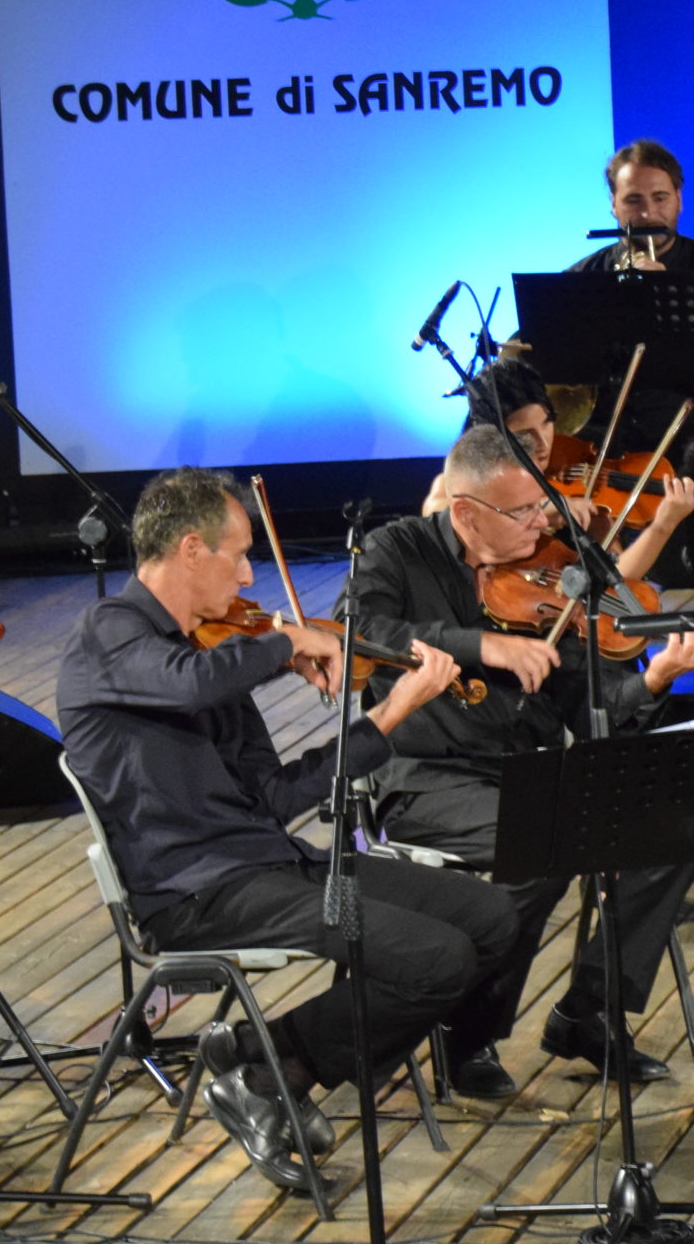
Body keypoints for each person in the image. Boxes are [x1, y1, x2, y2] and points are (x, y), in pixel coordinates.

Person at [57, 467, 519, 1189]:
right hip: (195, 891)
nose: (250, 575)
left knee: (490, 917)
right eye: (240, 555)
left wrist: (389, 713)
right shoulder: (108, 634)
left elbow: (274, 795)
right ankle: (275, 1070)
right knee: (437, 959)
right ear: (190, 549)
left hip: (271, 863)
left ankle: (260, 1057)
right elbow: (191, 684)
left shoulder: (209, 651)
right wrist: (289, 642)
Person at [347, 427, 694, 1097]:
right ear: (465, 512)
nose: (542, 522)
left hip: (533, 772)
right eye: (521, 511)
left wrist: (655, 678)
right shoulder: (396, 550)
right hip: (426, 778)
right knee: (544, 843)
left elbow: (591, 707)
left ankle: (590, 1008)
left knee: (678, 822)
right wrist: (479, 645)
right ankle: (468, 1034)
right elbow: (361, 633)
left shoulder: (561, 568)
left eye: (542, 505)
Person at [424, 358, 694, 590]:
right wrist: (540, 510)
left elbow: (620, 583)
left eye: (547, 424)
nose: (543, 443)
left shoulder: (574, 470)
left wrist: (662, 525)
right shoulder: (461, 482)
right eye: (525, 434)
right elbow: (440, 518)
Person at [561, 140, 694, 470]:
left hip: (693, 434)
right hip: (605, 439)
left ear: (679, 198)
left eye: (660, 198)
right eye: (633, 200)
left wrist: (664, 290)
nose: (648, 214)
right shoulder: (579, 278)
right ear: (613, 204)